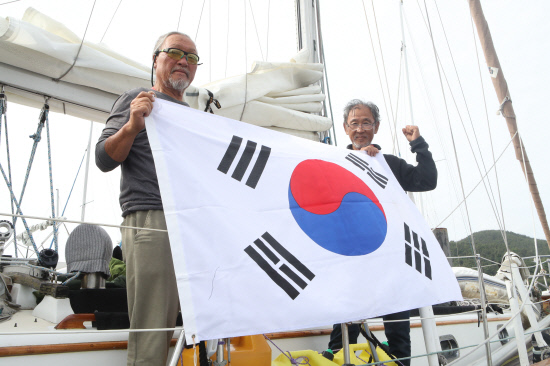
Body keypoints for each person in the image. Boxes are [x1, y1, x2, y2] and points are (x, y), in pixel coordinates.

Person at [95, 31, 200, 366]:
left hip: (193, 224)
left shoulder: (198, 119)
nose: (184, 61)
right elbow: (104, 158)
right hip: (154, 218)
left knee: (205, 318)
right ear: (155, 59)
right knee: (153, 324)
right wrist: (132, 126)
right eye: (175, 52)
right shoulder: (135, 100)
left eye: (192, 57)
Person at [328, 99, 438, 366]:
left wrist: (418, 144)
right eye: (354, 123)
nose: (360, 128)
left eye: (366, 122)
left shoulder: (389, 164)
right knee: (343, 333)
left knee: (398, 333)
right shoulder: (334, 162)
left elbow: (427, 180)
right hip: (353, 261)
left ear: (375, 127)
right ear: (345, 128)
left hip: (391, 261)